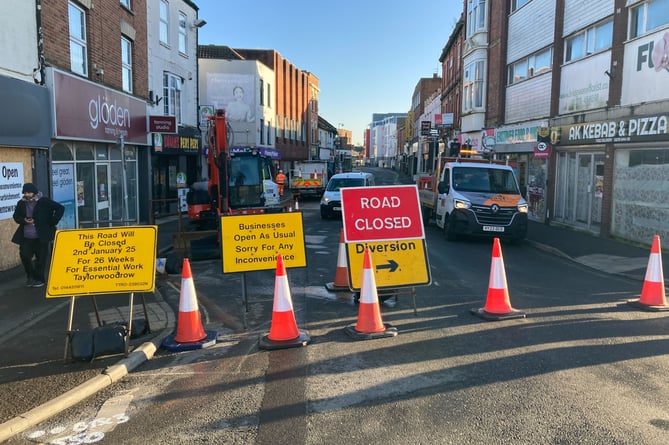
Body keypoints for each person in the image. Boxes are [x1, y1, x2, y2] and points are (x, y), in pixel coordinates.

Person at [12, 183, 65, 287]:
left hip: (42, 235)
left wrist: (53, 221)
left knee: (41, 259)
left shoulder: (44, 201)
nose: (27, 195)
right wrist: (24, 220)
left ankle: (40, 279)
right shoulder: (21, 203)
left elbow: (60, 208)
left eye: (29, 192)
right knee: (24, 255)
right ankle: (30, 276)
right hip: (26, 236)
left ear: (34, 192)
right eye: (25, 193)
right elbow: (16, 216)